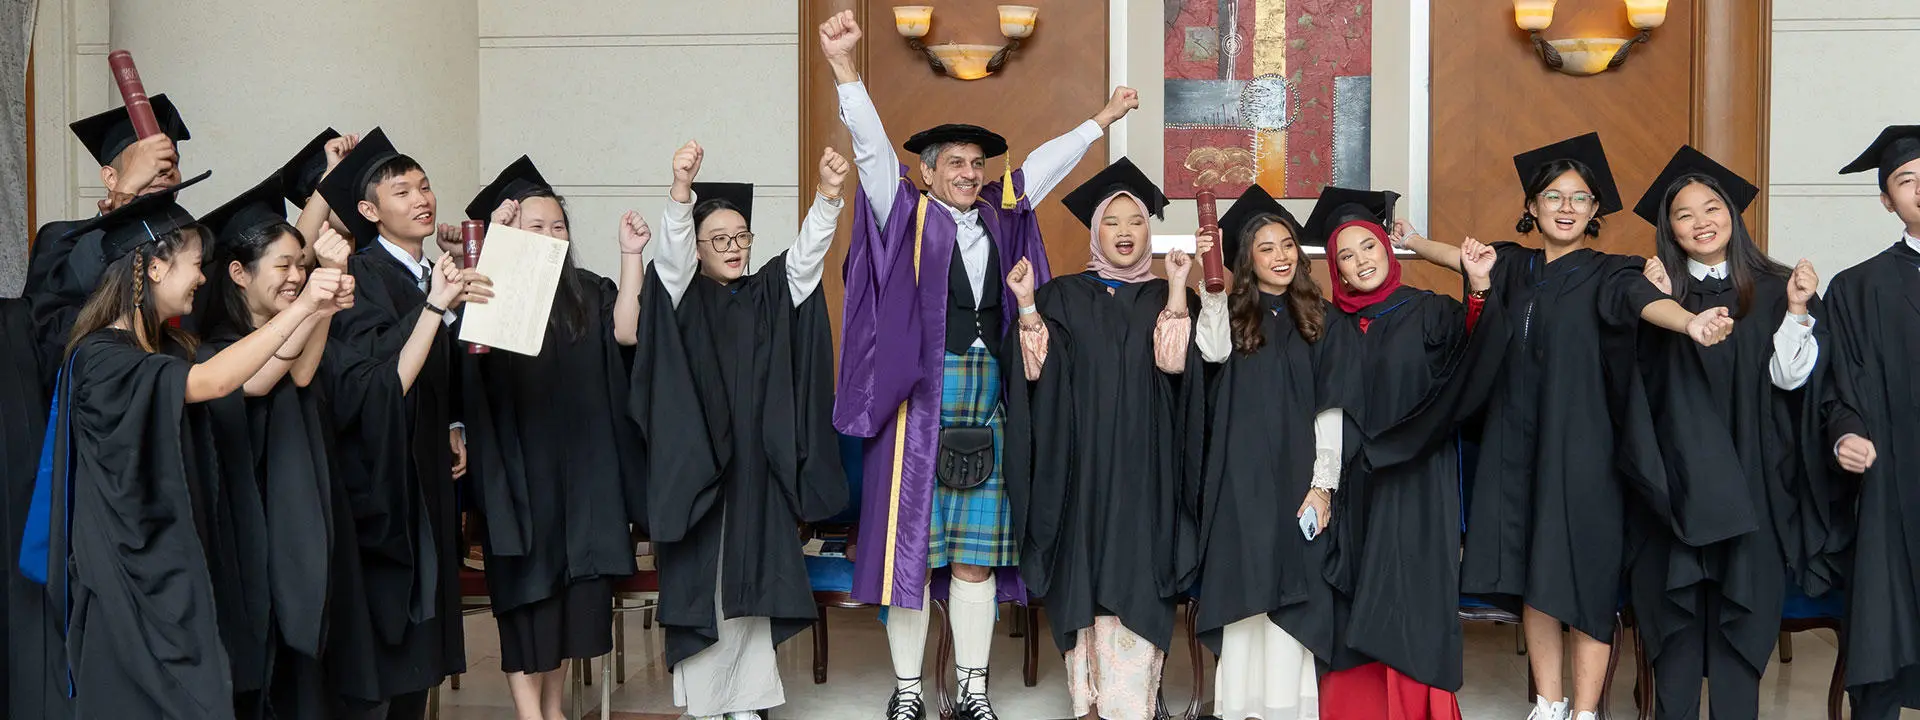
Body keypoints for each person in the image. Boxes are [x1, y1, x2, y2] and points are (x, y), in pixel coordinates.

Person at [818, 11, 1137, 718]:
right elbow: (872, 151)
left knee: (974, 559)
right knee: (911, 558)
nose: (968, 173)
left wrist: (1102, 120)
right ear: (926, 173)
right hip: (913, 409)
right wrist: (845, 71)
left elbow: (1044, 167)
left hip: (986, 402)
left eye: (975, 164)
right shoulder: (901, 209)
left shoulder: (1001, 214)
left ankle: (972, 691)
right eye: (953, 164)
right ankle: (907, 695)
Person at [1395, 133, 1735, 720]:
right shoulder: (1513, 266)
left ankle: (1584, 711)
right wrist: (1414, 241)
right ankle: (1548, 705)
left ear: (1595, 210)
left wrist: (1692, 325)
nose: (1567, 207)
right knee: (1535, 576)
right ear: (1532, 207)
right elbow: (1461, 259)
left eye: (1581, 198)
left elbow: (1643, 302)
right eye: (1554, 196)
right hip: (1513, 449)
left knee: (1585, 579)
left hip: (1585, 456)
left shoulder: (1612, 272)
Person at [40, 174, 351, 719]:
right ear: (153, 266)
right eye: (193, 263)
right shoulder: (101, 359)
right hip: (129, 579)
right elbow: (210, 383)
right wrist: (302, 307)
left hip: (175, 565)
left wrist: (318, 311)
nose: (202, 278)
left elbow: (253, 381)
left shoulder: (166, 347)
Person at [629, 141, 850, 720]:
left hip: (758, 462)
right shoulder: (680, 293)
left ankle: (747, 702)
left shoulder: (767, 294)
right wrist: (681, 190)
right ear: (699, 247)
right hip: (697, 466)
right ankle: (707, 702)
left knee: (755, 578)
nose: (732, 247)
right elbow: (672, 258)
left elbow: (805, 259)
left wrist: (827, 197)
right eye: (718, 239)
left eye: (741, 237)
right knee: (708, 580)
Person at [1624, 146, 1830, 720]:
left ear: (1733, 215)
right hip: (1676, 490)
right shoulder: (1659, 295)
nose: (1701, 222)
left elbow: (1791, 381)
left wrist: (1795, 311)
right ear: (1670, 229)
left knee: (1742, 634)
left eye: (1711, 207)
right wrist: (1655, 300)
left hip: (1755, 482)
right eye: (1684, 214)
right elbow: (1636, 386)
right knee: (1677, 626)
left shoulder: (1777, 287)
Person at [1002, 158, 1199, 720]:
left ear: (1149, 232)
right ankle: (1088, 703)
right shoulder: (1061, 295)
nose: (1124, 232)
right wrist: (1025, 305)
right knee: (1081, 569)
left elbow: (1174, 361)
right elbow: (1035, 371)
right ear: (1096, 232)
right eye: (1111, 222)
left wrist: (1180, 286)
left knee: (1137, 565)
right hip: (1080, 464)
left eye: (1134, 222)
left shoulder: (1163, 293)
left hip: (1144, 464)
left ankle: (1132, 703)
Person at [1304, 188, 1505, 720]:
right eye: (1345, 256)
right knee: (1353, 586)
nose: (1359, 262)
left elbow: (1476, 356)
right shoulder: (1330, 326)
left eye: (1367, 248)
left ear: (1386, 251)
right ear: (1338, 271)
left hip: (1418, 476)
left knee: (1412, 590)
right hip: (1355, 481)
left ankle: (1420, 708)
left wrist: (1479, 289)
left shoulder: (1428, 312)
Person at [458, 156, 646, 720]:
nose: (549, 235)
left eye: (557, 226)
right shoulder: (488, 293)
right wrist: (496, 250)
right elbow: (466, 374)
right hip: (519, 469)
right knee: (526, 589)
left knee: (572, 593)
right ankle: (528, 712)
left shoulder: (588, 290)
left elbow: (628, 330)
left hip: (585, 468)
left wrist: (631, 257)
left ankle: (555, 708)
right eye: (534, 227)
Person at [316, 127, 489, 720]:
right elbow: (375, 367)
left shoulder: (432, 270)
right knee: (385, 630)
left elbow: (451, 360)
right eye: (402, 191)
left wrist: (456, 420)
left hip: (429, 465)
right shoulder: (359, 275)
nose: (422, 198)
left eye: (425, 185)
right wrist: (436, 306)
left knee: (424, 633)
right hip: (379, 476)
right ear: (369, 210)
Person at [193, 173, 368, 720]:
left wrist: (328, 289)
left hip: (296, 511)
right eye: (284, 266)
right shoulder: (216, 347)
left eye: (301, 263)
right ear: (239, 274)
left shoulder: (285, 324)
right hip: (250, 517)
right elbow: (260, 379)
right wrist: (313, 301)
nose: (296, 277)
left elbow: (301, 369)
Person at [1186, 184, 1340, 720]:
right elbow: (1209, 350)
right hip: (1241, 479)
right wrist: (1210, 285)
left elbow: (1332, 410)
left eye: (1287, 245)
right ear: (1247, 261)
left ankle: (1285, 709)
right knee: (1245, 583)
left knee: (1295, 589)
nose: (1280, 255)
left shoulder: (1321, 320)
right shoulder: (1231, 314)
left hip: (1299, 477)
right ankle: (1243, 709)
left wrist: (1324, 486)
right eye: (1266, 247)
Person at [1822, 124, 1920, 720]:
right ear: (1887, 200)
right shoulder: (1857, 288)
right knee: (1885, 624)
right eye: (1907, 181)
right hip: (1893, 484)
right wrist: (1845, 435)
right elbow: (1838, 389)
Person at [25, 94, 189, 391]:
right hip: (92, 409)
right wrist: (126, 192)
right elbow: (47, 335)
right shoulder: (60, 240)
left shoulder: (193, 253)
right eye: (146, 162)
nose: (161, 171)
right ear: (110, 178)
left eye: (170, 164)